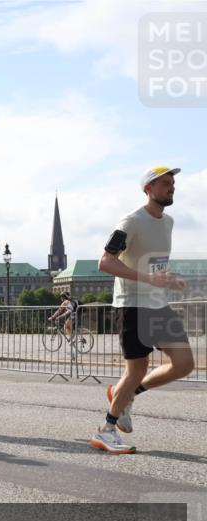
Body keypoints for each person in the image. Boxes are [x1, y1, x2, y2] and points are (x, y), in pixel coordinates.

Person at [90, 166, 194, 454]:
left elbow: (152, 264)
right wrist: (150, 279)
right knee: (137, 370)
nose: (171, 188)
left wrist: (166, 278)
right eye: (164, 183)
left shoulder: (169, 222)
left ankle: (125, 395)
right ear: (147, 188)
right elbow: (106, 262)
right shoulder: (131, 221)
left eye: (172, 183)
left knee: (184, 363)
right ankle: (106, 430)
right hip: (132, 305)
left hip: (158, 304)